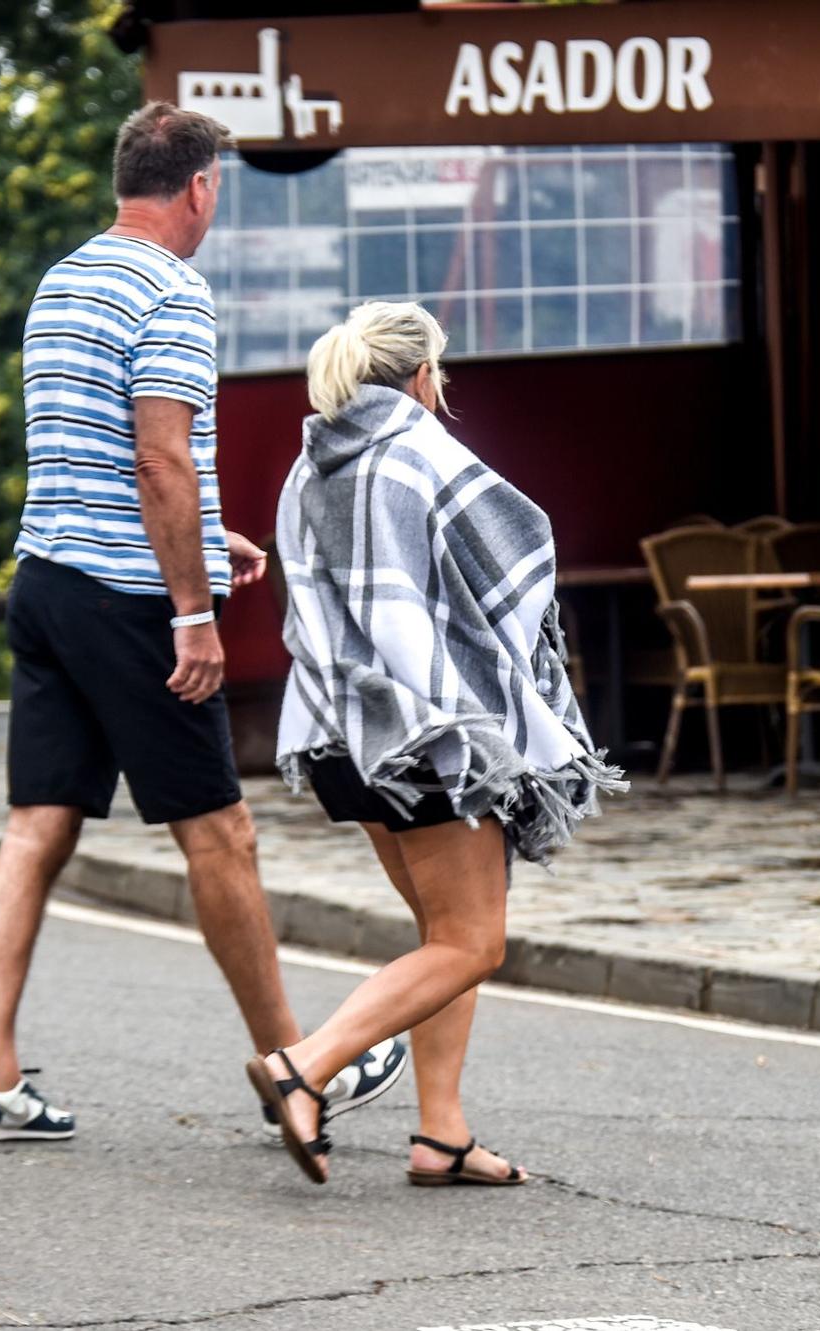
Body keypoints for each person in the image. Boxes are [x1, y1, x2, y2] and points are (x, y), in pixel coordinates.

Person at [0, 103, 405, 1145]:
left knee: (38, 823)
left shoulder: (63, 281)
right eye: (218, 193)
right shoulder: (173, 292)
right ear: (197, 187)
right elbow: (154, 456)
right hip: (125, 600)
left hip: (46, 584)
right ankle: (296, 1063)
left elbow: (103, 455)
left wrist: (210, 533)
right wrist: (193, 611)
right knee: (220, 832)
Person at [248, 301, 624, 1185]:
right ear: (423, 375)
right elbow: (518, 555)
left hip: (350, 732)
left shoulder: (309, 469)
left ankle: (440, 1134)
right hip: (430, 733)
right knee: (471, 941)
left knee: (442, 928)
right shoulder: (421, 450)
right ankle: (306, 1065)